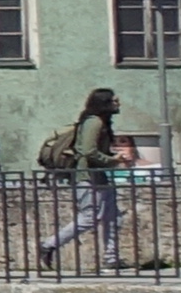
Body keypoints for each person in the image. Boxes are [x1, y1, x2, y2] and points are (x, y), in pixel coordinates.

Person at [38, 85, 128, 264]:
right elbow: (87, 151)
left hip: (99, 176)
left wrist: (110, 159)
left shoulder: (101, 122)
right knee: (89, 217)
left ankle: (112, 258)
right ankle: (49, 245)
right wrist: (113, 160)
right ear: (105, 103)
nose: (118, 103)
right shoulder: (93, 122)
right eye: (114, 100)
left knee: (112, 216)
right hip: (87, 176)